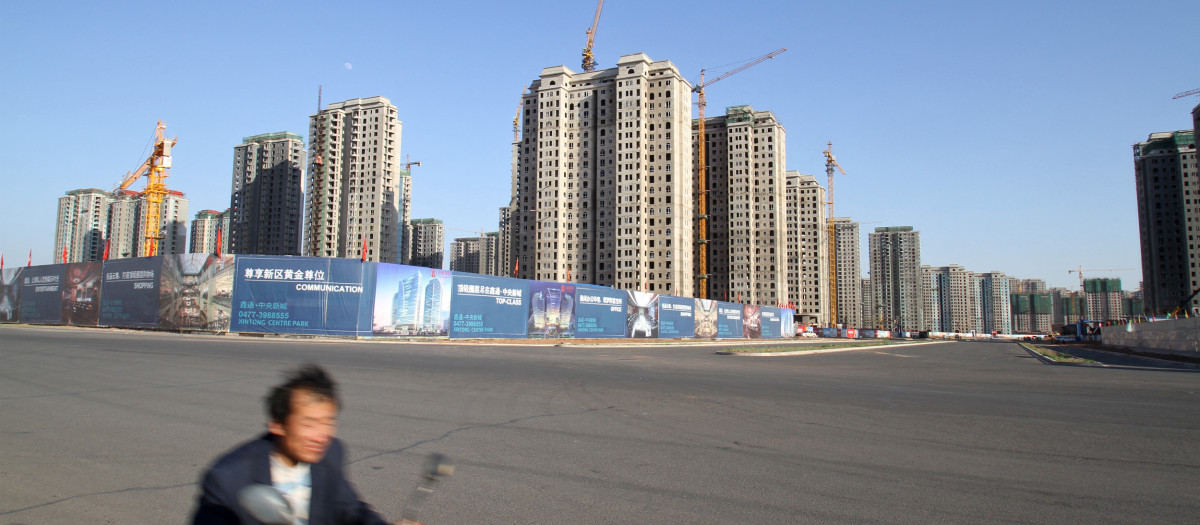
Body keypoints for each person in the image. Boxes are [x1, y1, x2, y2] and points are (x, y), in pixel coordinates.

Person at [192, 364, 411, 524]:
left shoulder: (331, 452)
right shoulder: (228, 478)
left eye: (328, 422)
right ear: (278, 425)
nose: (321, 436)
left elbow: (350, 509)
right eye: (309, 424)